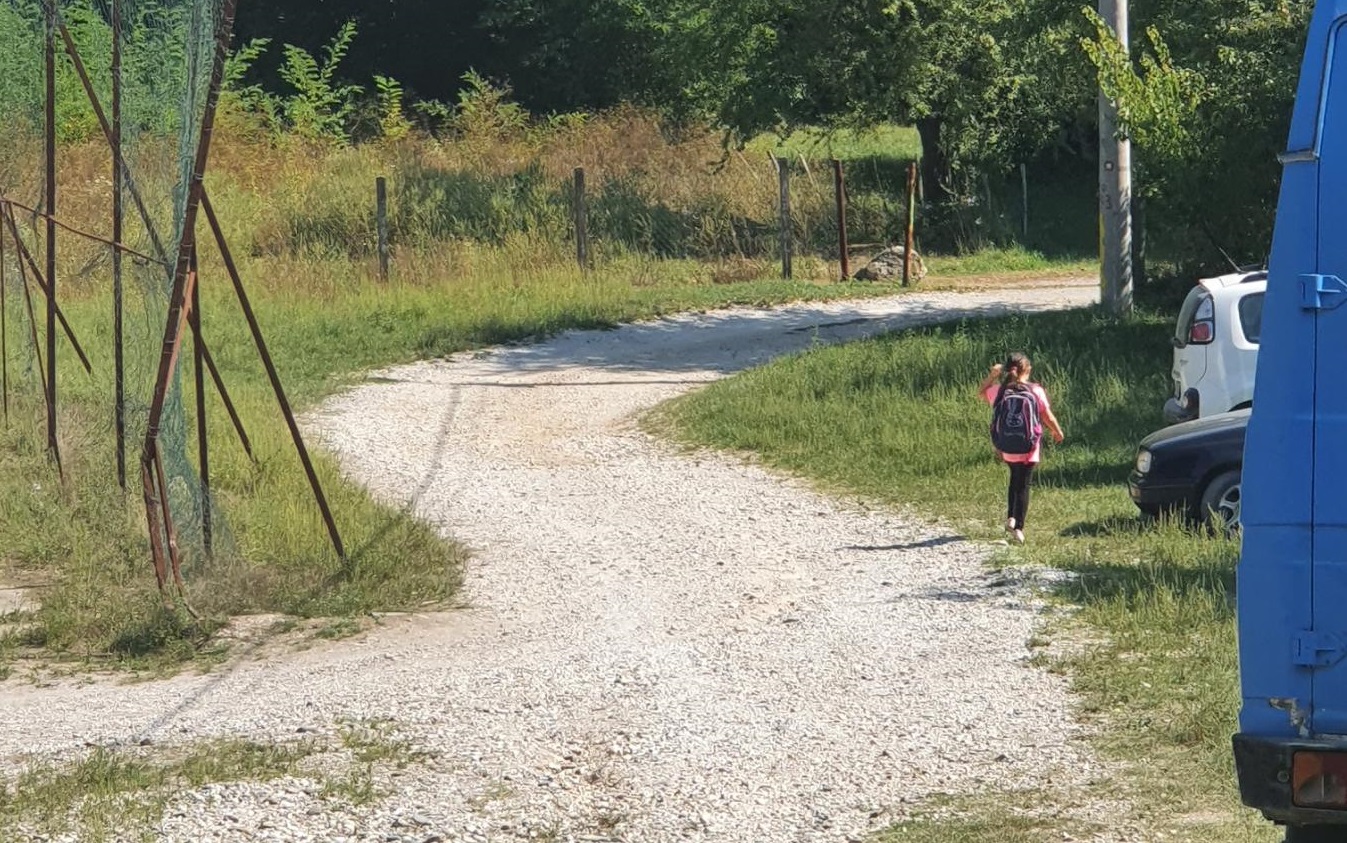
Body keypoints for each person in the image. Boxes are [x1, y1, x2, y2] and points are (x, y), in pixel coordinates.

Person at [978, 352, 1064, 544]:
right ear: (1028, 369)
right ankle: (1019, 528)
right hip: (1028, 446)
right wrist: (1057, 432)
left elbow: (981, 392)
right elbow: (1047, 416)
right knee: (1024, 484)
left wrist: (993, 376)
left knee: (1014, 479)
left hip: (1007, 445)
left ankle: (1011, 517)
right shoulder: (1035, 390)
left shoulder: (1000, 391)